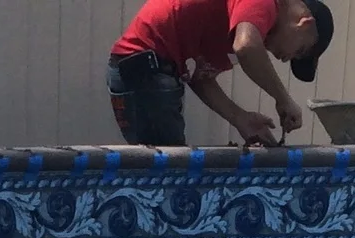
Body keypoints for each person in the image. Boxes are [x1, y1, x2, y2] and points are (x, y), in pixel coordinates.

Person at [108, 0, 334, 149]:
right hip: (145, 66)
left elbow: (200, 78)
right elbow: (246, 47)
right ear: (304, 23)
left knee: (164, 173)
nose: (286, 59)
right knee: (168, 176)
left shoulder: (239, 24)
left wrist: (240, 118)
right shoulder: (266, 4)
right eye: (300, 51)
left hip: (147, 70)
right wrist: (283, 99)